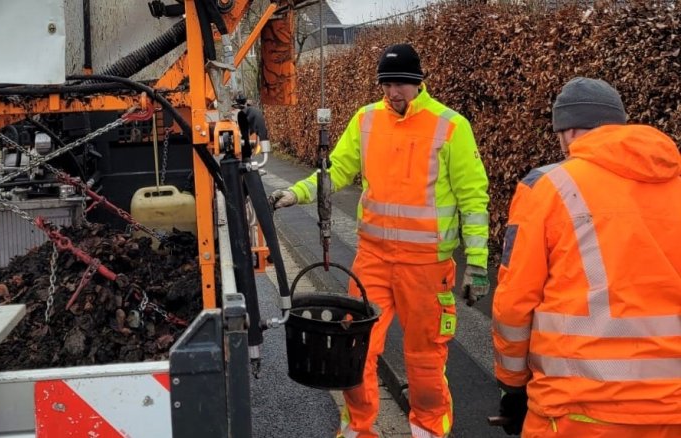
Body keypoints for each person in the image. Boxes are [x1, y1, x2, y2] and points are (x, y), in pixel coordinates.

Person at [269, 43, 489, 438]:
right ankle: (359, 430)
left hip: (428, 267)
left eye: (400, 84)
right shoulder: (366, 120)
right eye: (386, 84)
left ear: (419, 83)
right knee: (355, 351)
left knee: (424, 363)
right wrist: (297, 194)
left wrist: (476, 263)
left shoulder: (450, 126)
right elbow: (334, 170)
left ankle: (428, 431)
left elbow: (473, 199)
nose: (392, 92)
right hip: (373, 260)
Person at [492, 77, 681, 437]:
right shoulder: (675, 184)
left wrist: (512, 384)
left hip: (578, 409)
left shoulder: (549, 187)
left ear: (569, 129)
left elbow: (514, 303)